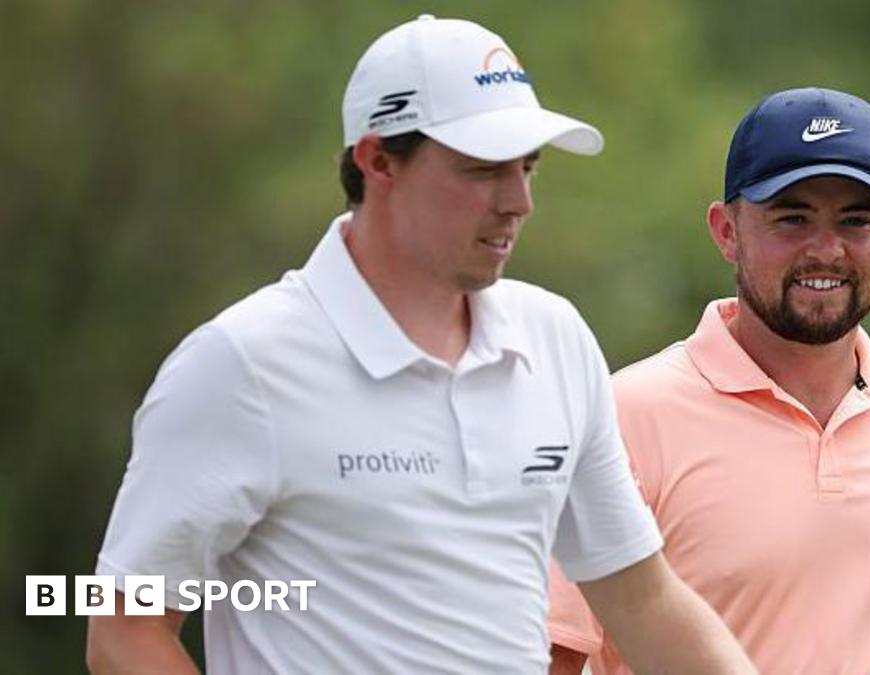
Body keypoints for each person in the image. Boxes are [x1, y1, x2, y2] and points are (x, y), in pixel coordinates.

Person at [86, 15, 755, 675]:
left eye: (528, 167)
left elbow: (642, 599)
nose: (518, 200)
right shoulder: (242, 363)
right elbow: (122, 635)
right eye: (484, 169)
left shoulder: (556, 340)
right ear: (378, 160)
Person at [548, 88, 870, 674]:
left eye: (856, 220)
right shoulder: (626, 413)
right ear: (726, 231)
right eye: (792, 218)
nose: (826, 249)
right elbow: (552, 654)